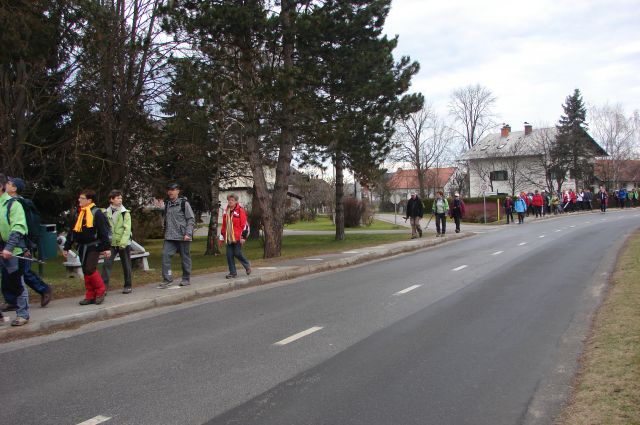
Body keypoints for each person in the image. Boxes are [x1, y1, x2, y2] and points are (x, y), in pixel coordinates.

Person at [0, 177, 53, 309]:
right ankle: (12, 301)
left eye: (9, 183)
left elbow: (25, 226)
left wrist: (28, 244)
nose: (6, 185)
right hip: (7, 245)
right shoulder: (3, 203)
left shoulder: (19, 203)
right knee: (7, 272)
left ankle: (44, 289)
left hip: (22, 243)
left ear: (14, 189)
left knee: (23, 272)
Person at [63, 190, 112, 305]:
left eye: (82, 198)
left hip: (94, 246)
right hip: (81, 246)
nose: (79, 200)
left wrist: (106, 248)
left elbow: (104, 232)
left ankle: (100, 291)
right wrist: (67, 247)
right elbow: (72, 232)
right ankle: (90, 295)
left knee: (90, 268)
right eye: (79, 198)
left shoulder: (97, 213)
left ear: (89, 200)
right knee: (86, 271)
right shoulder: (78, 213)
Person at [0, 174, 30, 326]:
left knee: (16, 282)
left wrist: (9, 247)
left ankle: (23, 314)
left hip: (12, 250)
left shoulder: (13, 204)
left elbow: (18, 227)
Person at [158, 182, 195, 288]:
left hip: (183, 236)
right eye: (169, 190)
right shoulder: (167, 204)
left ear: (178, 191)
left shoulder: (184, 204)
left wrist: (188, 233)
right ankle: (167, 279)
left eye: (173, 190)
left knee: (185, 258)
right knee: (165, 256)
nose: (170, 192)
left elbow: (191, 219)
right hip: (169, 236)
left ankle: (186, 278)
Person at [101, 190, 133, 294]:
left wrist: (123, 244)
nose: (120, 200)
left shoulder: (125, 213)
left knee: (126, 264)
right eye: (117, 198)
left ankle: (128, 285)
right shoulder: (105, 213)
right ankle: (103, 287)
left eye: (121, 198)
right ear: (111, 199)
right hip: (111, 243)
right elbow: (105, 229)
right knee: (107, 264)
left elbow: (127, 229)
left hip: (123, 243)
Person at [219, 194, 251, 279]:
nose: (230, 201)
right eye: (229, 200)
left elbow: (245, 225)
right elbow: (224, 225)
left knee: (237, 253)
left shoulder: (240, 211)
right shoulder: (226, 211)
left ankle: (247, 265)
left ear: (236, 201)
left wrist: (243, 237)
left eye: (232, 200)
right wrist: (221, 238)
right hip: (229, 237)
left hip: (238, 237)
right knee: (229, 255)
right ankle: (232, 272)